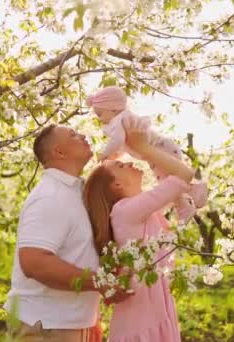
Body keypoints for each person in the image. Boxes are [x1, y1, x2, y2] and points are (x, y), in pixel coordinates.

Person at [4, 124, 131, 342]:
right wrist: (100, 282)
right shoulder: (49, 197)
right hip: (46, 328)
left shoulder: (76, 191)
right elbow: (34, 262)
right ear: (59, 152)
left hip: (67, 324)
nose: (82, 134)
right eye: (73, 135)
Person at [83, 116, 196, 342]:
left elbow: (177, 176)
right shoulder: (126, 211)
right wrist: (143, 147)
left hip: (154, 314)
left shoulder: (142, 210)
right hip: (141, 325)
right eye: (122, 165)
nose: (132, 163)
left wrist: (143, 148)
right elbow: (183, 176)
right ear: (116, 185)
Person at [86, 86, 207, 223]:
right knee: (169, 181)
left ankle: (192, 191)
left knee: (168, 181)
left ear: (112, 108)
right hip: (161, 149)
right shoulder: (123, 119)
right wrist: (117, 155)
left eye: (100, 114)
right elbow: (126, 142)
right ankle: (185, 204)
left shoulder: (118, 121)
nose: (100, 119)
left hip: (161, 149)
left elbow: (118, 140)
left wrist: (105, 153)